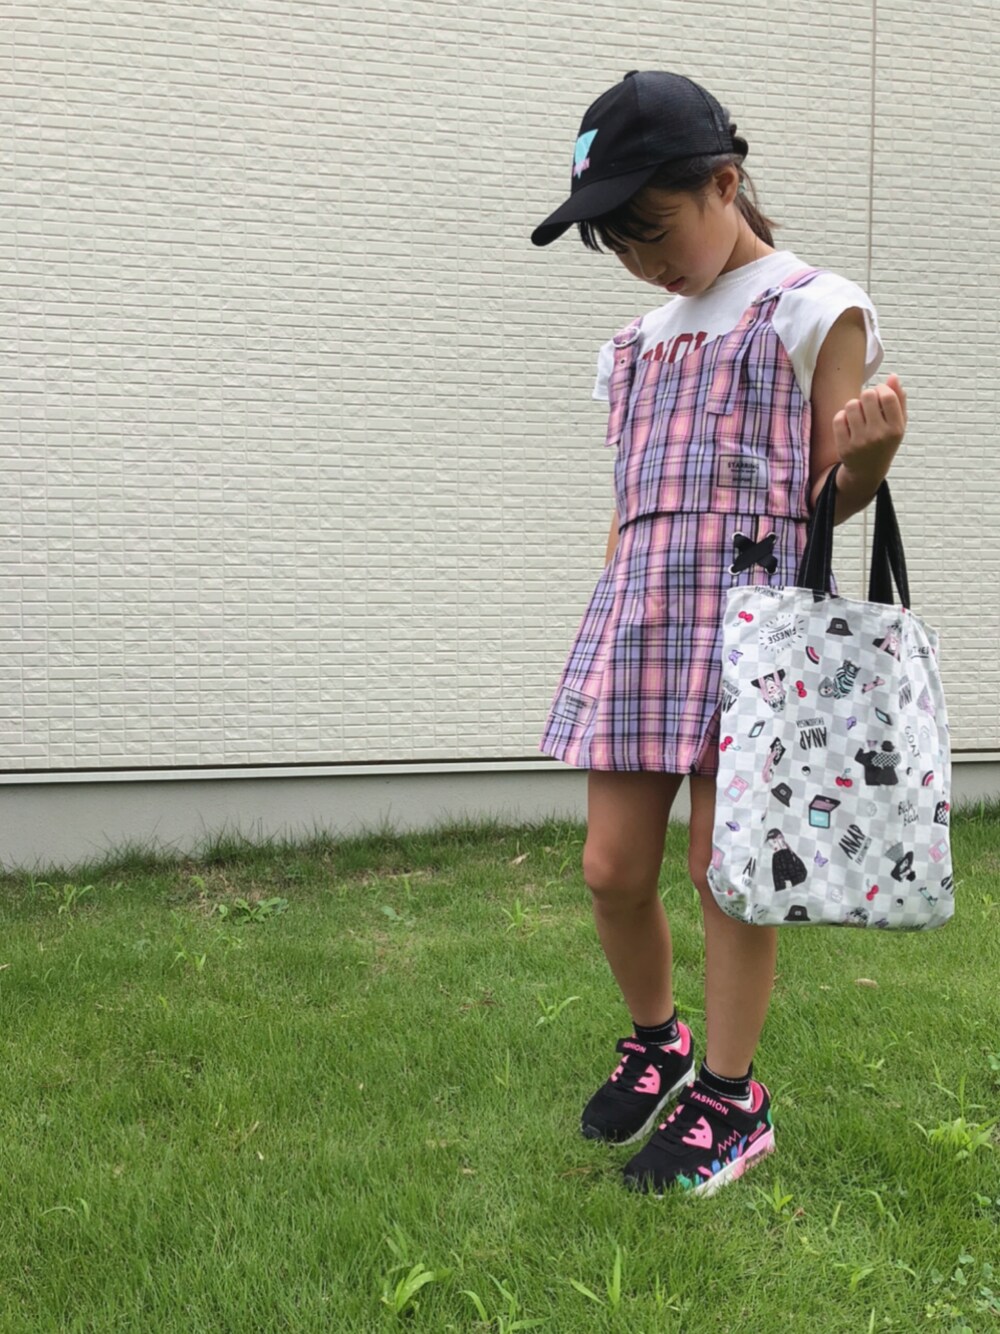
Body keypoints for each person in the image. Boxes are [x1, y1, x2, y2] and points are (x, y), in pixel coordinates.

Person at [530, 70, 906, 1197]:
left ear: (725, 183)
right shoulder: (634, 343)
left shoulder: (810, 306)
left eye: (651, 230)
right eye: (617, 244)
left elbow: (825, 498)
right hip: (642, 618)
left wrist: (874, 454)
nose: (642, 262)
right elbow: (631, 496)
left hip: (753, 626)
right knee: (610, 868)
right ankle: (659, 1040)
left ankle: (733, 1100)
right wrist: (610, 596)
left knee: (724, 869)